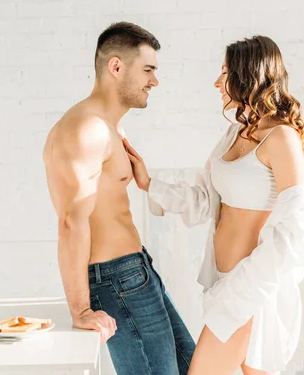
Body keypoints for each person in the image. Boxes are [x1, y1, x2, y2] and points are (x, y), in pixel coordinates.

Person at [124, 35, 304, 375]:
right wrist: (148, 183)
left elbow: (294, 230)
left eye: (225, 72)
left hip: (251, 290)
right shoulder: (234, 134)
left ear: (247, 75)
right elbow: (203, 201)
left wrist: (246, 287)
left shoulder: (282, 138)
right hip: (223, 282)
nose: (217, 82)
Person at [42, 21, 196, 375]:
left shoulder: (109, 125)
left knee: (197, 367)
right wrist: (80, 309)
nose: (154, 81)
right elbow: (71, 220)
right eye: (148, 70)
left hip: (136, 272)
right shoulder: (86, 128)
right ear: (116, 66)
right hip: (116, 280)